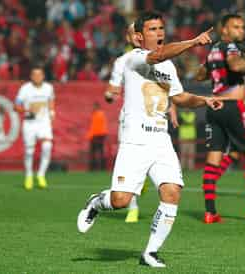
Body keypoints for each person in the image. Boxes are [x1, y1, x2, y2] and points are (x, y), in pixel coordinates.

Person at [77, 11, 221, 268]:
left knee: (172, 192)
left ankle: (150, 253)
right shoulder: (134, 58)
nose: (159, 33)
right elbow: (158, 55)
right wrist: (193, 42)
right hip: (135, 140)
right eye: (153, 29)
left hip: (161, 141)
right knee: (120, 200)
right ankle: (97, 202)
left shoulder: (168, 67)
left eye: (161, 28)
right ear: (140, 37)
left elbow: (180, 98)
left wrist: (204, 100)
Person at [196, 14, 245, 223]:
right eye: (236, 27)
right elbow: (236, 66)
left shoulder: (213, 50)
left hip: (215, 107)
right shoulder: (231, 48)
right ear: (225, 31)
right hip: (233, 107)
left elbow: (199, 75)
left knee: (214, 158)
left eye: (242, 27)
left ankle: (210, 212)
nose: (241, 31)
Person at [105, 23, 178, 223]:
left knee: (167, 184)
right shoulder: (124, 61)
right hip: (131, 121)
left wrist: (171, 107)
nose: (134, 38)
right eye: (130, 35)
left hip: (155, 121)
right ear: (130, 38)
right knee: (129, 171)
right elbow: (112, 88)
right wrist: (110, 94)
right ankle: (133, 208)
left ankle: (141, 181)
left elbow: (166, 88)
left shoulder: (164, 62)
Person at [15, 65, 55, 190]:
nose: (37, 77)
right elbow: (16, 106)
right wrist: (27, 109)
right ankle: (28, 175)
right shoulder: (25, 89)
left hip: (44, 122)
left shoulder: (48, 88)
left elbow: (51, 100)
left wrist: (52, 112)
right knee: (29, 151)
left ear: (43, 76)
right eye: (35, 75)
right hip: (29, 123)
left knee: (47, 146)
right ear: (31, 76)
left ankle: (41, 174)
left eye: (39, 74)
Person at [85, 102, 108, 170]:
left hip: (97, 136)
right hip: (100, 135)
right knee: (100, 152)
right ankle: (101, 167)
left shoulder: (97, 115)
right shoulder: (101, 114)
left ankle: (94, 167)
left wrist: (90, 136)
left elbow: (94, 127)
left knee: (94, 152)